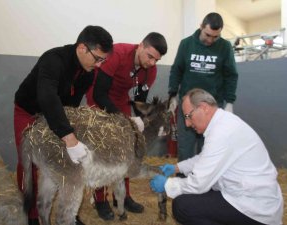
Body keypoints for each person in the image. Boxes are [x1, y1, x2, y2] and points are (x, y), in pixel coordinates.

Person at [14, 25, 113, 225]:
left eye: (103, 60)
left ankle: (69, 214)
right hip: (29, 112)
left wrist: (71, 136)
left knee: (67, 164)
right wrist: (69, 137)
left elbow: (70, 106)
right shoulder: (53, 59)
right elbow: (47, 97)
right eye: (98, 58)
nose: (100, 65)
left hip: (56, 116)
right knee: (29, 162)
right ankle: (32, 215)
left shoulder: (88, 72)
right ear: (83, 48)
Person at [150, 88, 283, 225]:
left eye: (188, 116)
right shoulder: (222, 123)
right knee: (187, 195)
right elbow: (205, 159)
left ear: (203, 108)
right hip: (249, 197)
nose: (187, 124)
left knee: (183, 206)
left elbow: (198, 184)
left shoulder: (222, 132)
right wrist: (176, 168)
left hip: (253, 208)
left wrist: (167, 184)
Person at [85, 32, 167, 220]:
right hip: (98, 98)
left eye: (157, 59)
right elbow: (99, 93)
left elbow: (139, 101)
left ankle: (122, 196)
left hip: (121, 99)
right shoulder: (119, 53)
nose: (153, 62)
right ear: (140, 46)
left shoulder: (150, 70)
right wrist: (124, 119)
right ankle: (100, 199)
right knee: (102, 151)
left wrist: (139, 121)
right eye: (150, 56)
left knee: (128, 149)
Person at [168, 12, 238, 162]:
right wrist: (172, 94)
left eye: (215, 36)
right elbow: (177, 69)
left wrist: (230, 101)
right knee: (185, 147)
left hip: (212, 108)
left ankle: (207, 184)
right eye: (208, 35)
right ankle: (182, 181)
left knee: (209, 148)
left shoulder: (225, 47)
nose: (211, 40)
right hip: (187, 106)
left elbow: (231, 75)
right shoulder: (186, 44)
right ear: (201, 27)